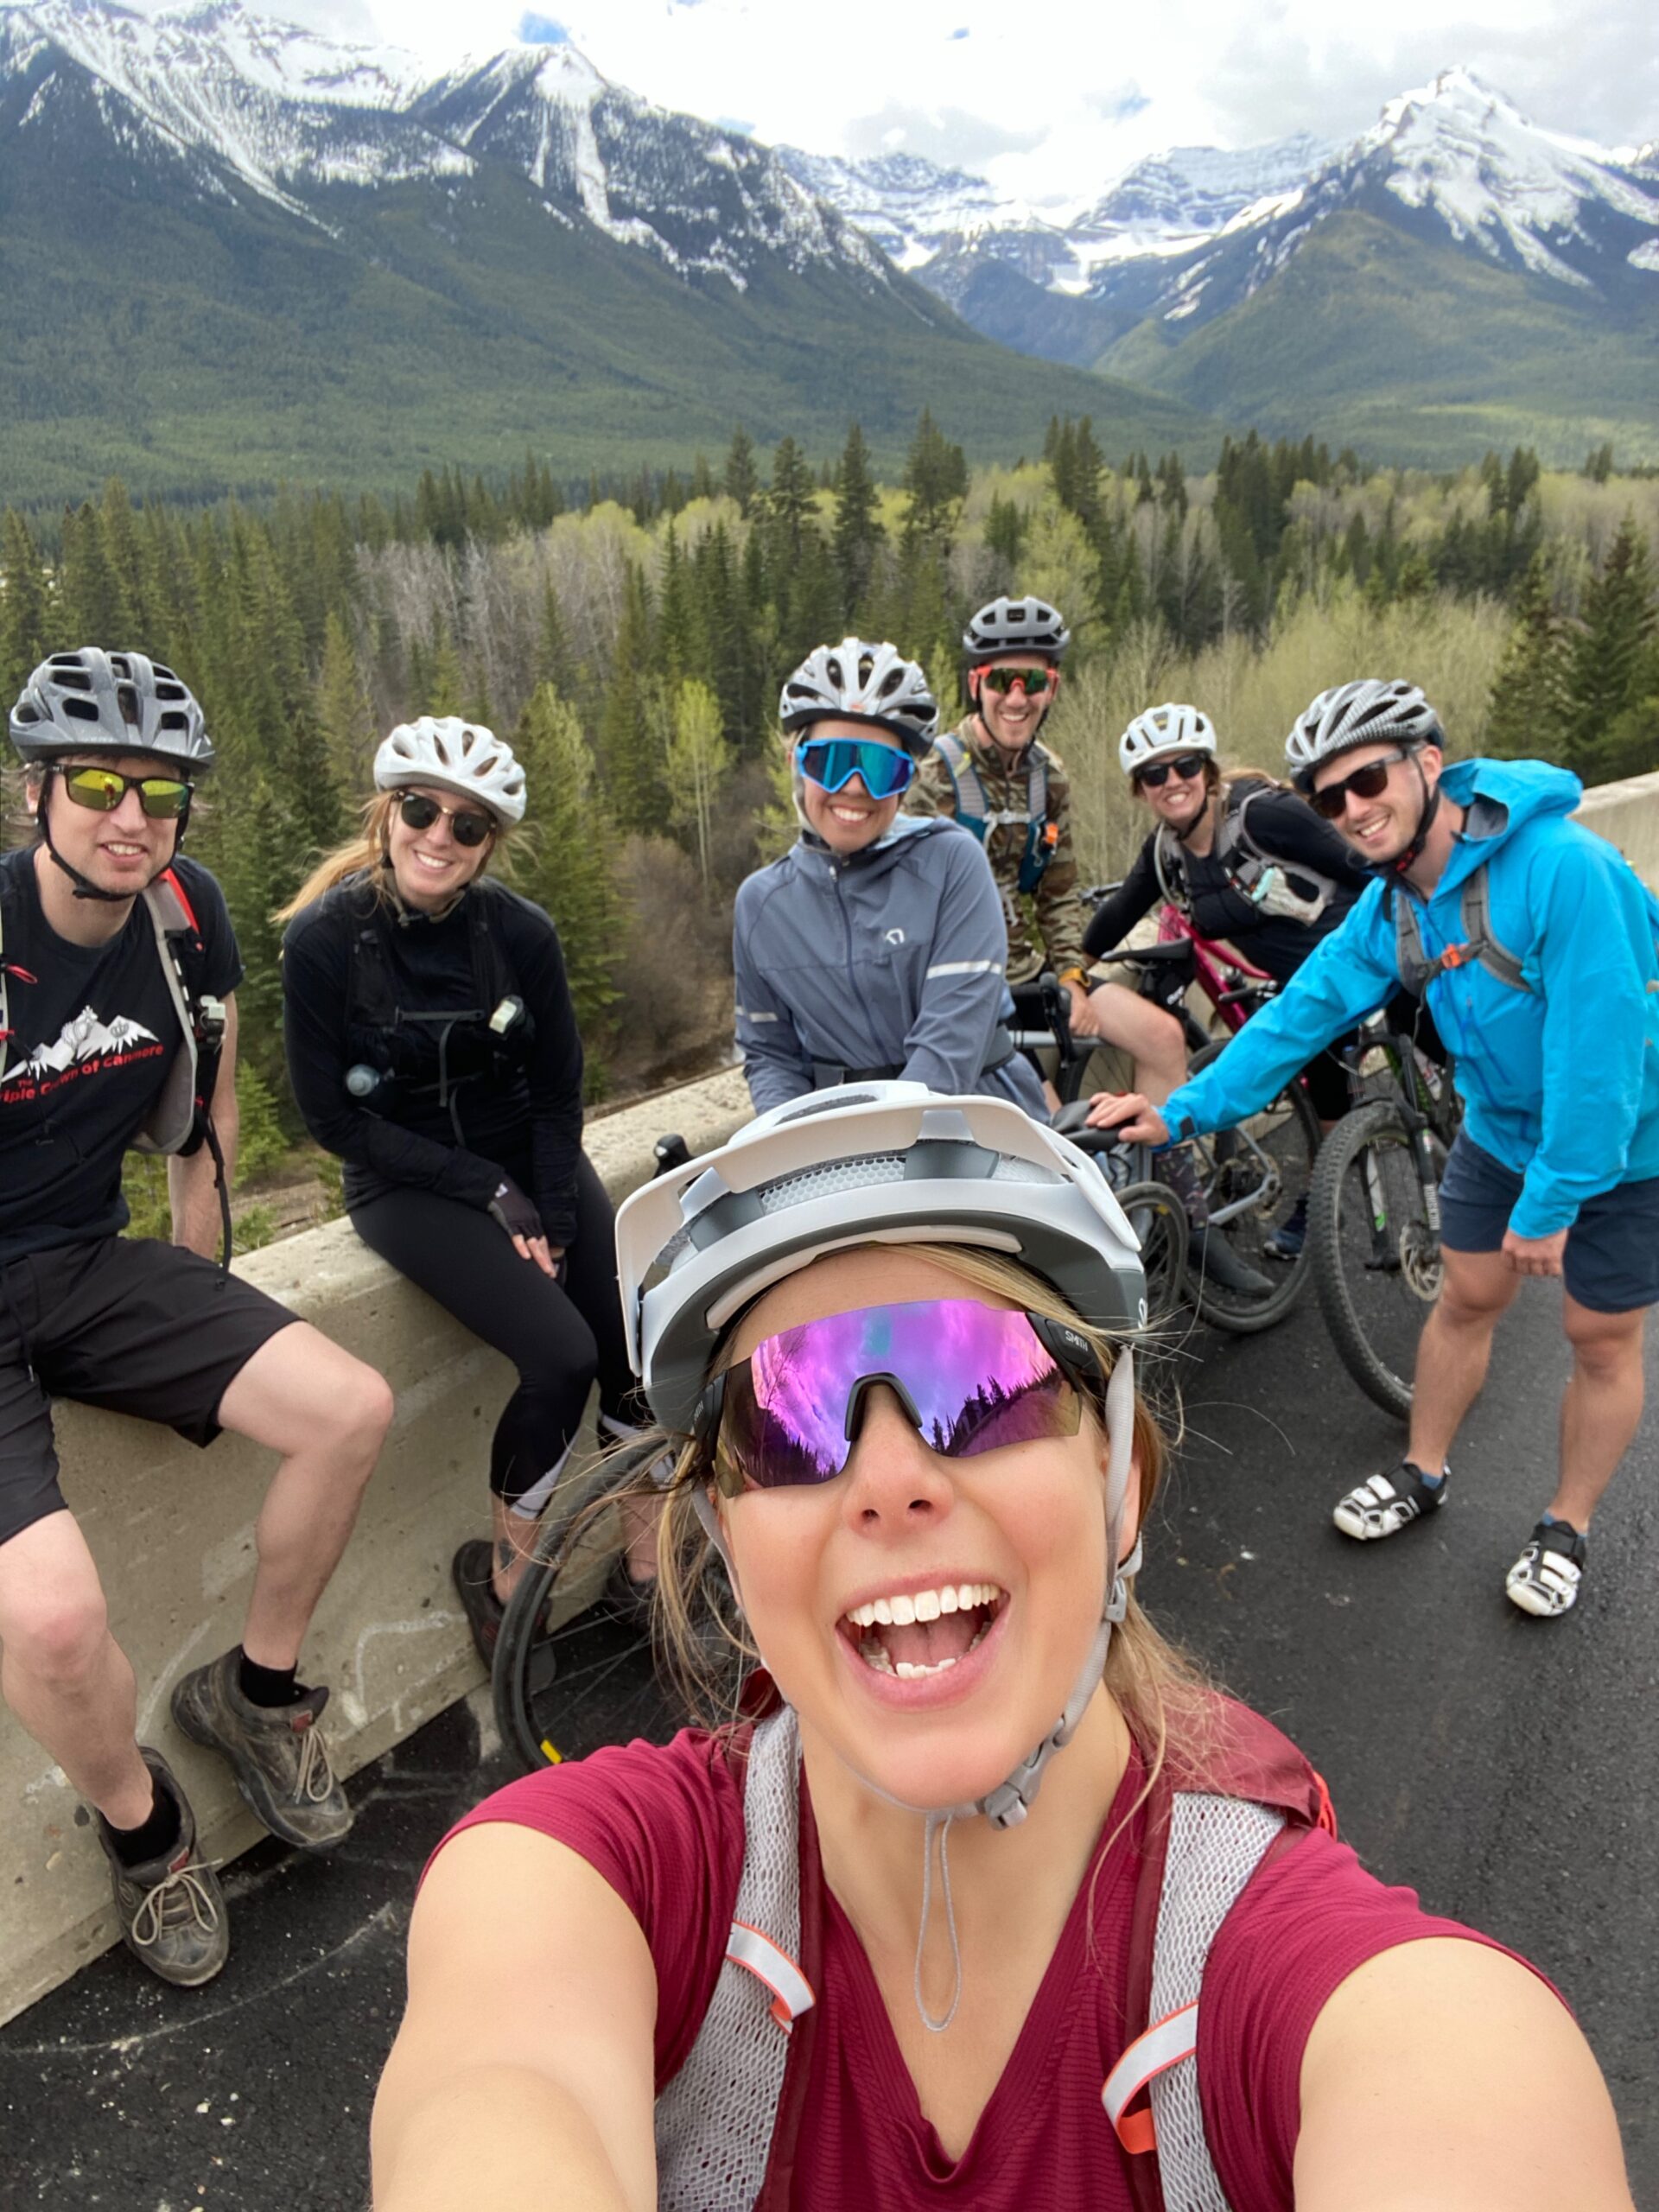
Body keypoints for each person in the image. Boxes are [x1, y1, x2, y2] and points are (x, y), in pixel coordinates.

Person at [371, 1084, 1632, 2210]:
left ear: (1119, 1487)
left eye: (983, 1381)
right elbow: (498, 2085)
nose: (889, 1480)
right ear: (731, 1543)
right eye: (786, 1421)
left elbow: (1464, 2099)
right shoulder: (587, 1879)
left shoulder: (1356, 2006)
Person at [1092, 678, 1659, 1618]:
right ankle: (1422, 1470)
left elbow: (1601, 1065)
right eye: (1328, 798)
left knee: (1598, 1338)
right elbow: (1303, 1014)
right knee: (1467, 1301)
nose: (1353, 810)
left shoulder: (1564, 869)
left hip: (1624, 1148)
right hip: (1499, 1127)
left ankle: (1566, 1525)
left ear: (1428, 764)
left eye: (1368, 781)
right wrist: (1182, 1111)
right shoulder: (1394, 901)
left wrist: (1553, 1202)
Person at [0, 649, 393, 1989]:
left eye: (159, 793)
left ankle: (258, 1692)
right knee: (52, 1624)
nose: (130, 817)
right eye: (99, 784)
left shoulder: (182, 914)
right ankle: (144, 1826)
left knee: (350, 1409)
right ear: (37, 790)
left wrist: (207, 1301)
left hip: (89, 1262)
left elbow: (205, 1121)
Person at [279, 716, 648, 1669]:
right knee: (562, 1358)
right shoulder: (326, 941)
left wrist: (554, 1217)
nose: (439, 836)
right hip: (405, 1177)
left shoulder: (519, 933)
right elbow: (337, 1122)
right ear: (387, 812)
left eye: (468, 825)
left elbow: (560, 1090)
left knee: (636, 1356)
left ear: (492, 844)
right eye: (420, 810)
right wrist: (486, 1187)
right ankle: (508, 1588)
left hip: (529, 1160)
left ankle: (646, 1575)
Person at [1085, 701, 1382, 1263]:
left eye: (1186, 766)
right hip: (1302, 987)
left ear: (1209, 771)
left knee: (1441, 1030)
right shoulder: (1165, 852)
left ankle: (1464, 1133)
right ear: (1140, 789)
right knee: (1322, 1078)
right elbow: (1118, 916)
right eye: (1155, 774)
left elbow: (1365, 863)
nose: (1172, 782)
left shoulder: (1263, 816)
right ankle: (1328, 1199)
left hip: (1363, 952)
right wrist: (1074, 975)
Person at [733, 639, 1048, 1120]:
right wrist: (790, 1149)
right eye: (832, 763)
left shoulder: (951, 862)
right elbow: (770, 1055)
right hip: (844, 1141)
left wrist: (878, 1154)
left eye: (881, 769)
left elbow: (948, 1049)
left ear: (906, 781)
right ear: (796, 764)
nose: (856, 787)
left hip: (977, 1119)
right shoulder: (761, 904)